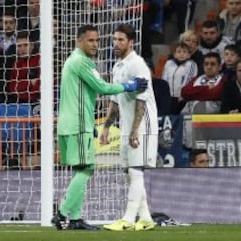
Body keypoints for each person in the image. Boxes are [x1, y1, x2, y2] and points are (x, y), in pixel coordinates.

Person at [52, 24, 148, 231]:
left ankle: (75, 219)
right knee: (87, 169)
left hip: (72, 123)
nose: (96, 44)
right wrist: (128, 86)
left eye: (97, 40)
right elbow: (102, 88)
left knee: (80, 169)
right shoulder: (81, 62)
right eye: (90, 40)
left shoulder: (73, 61)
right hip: (77, 125)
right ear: (79, 41)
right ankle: (61, 213)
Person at [101, 23, 158, 232]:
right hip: (126, 125)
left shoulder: (138, 65)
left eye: (120, 40)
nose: (116, 43)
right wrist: (107, 127)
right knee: (129, 172)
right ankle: (146, 218)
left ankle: (127, 219)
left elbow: (141, 101)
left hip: (142, 125)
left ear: (131, 42)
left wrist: (135, 130)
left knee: (135, 171)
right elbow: (115, 100)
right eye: (114, 39)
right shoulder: (117, 66)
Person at [161, 42, 198, 114]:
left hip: (182, 97)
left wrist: (183, 94)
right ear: (174, 54)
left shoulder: (191, 64)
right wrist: (164, 95)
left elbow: (189, 80)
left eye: (184, 52)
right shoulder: (169, 63)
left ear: (189, 55)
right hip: (169, 97)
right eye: (179, 52)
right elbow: (164, 78)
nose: (182, 54)